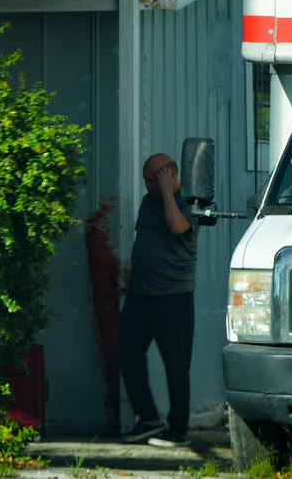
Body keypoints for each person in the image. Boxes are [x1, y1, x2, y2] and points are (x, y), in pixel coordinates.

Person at [119, 153, 200, 447]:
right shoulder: (147, 201)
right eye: (145, 181)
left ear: (170, 176)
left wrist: (167, 192)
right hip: (140, 295)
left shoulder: (193, 202)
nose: (147, 186)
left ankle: (178, 430)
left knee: (176, 365)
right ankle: (149, 418)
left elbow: (177, 227)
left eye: (153, 180)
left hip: (172, 296)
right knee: (126, 351)